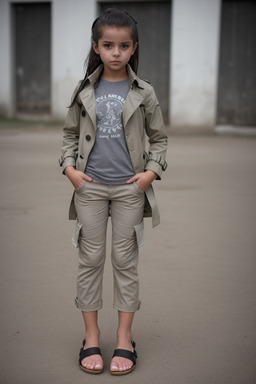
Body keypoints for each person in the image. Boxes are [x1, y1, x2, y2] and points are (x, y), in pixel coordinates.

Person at [59, 8, 168, 376]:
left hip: (129, 190)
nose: (116, 52)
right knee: (90, 261)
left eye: (124, 46)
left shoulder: (144, 92)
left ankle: (124, 337)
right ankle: (91, 336)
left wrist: (149, 173)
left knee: (125, 263)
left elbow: (159, 139)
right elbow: (70, 135)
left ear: (133, 48)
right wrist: (70, 170)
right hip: (88, 188)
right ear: (97, 47)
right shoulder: (84, 90)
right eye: (108, 45)